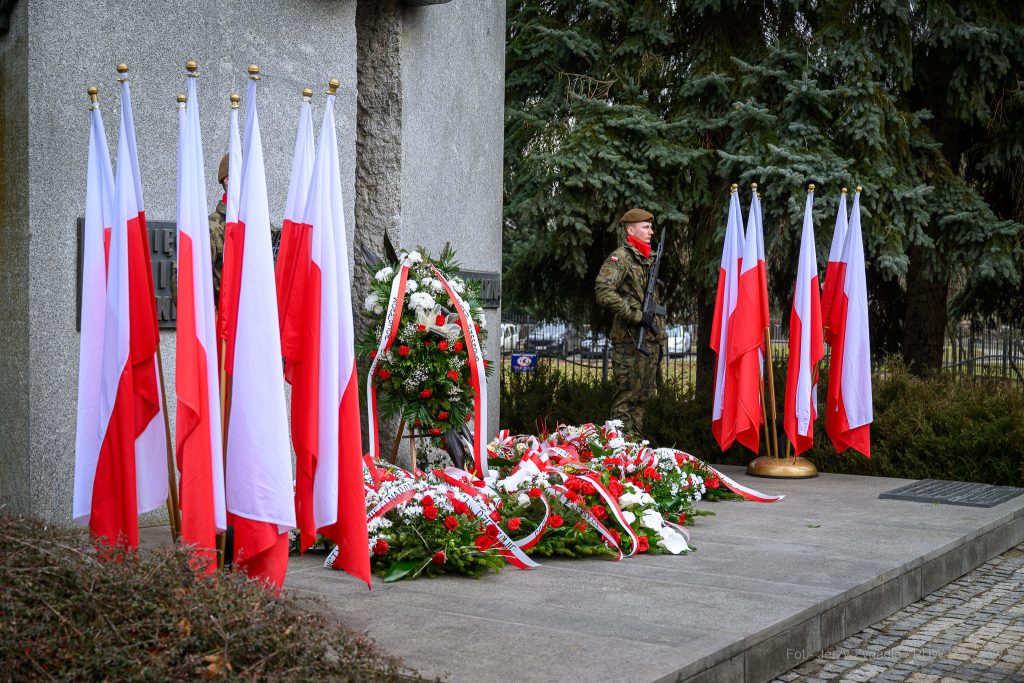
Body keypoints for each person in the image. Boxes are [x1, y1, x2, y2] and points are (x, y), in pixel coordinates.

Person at [595, 208, 664, 436]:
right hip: (629, 342)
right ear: (631, 230)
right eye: (646, 227)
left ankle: (635, 449)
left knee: (641, 399)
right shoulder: (621, 257)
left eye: (651, 227)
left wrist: (658, 335)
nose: (651, 231)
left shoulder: (648, 259)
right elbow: (603, 291)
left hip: (649, 342)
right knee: (625, 400)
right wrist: (635, 315)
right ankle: (621, 449)